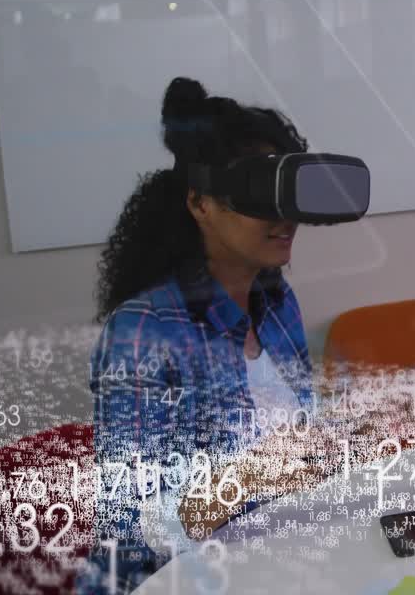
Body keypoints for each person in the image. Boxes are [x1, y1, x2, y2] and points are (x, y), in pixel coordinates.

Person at [80, 77, 344, 593]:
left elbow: (301, 449)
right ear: (200, 204)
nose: (284, 216)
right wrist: (260, 475)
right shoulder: (143, 332)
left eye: (286, 193)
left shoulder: (277, 302)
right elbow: (135, 527)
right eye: (257, 195)